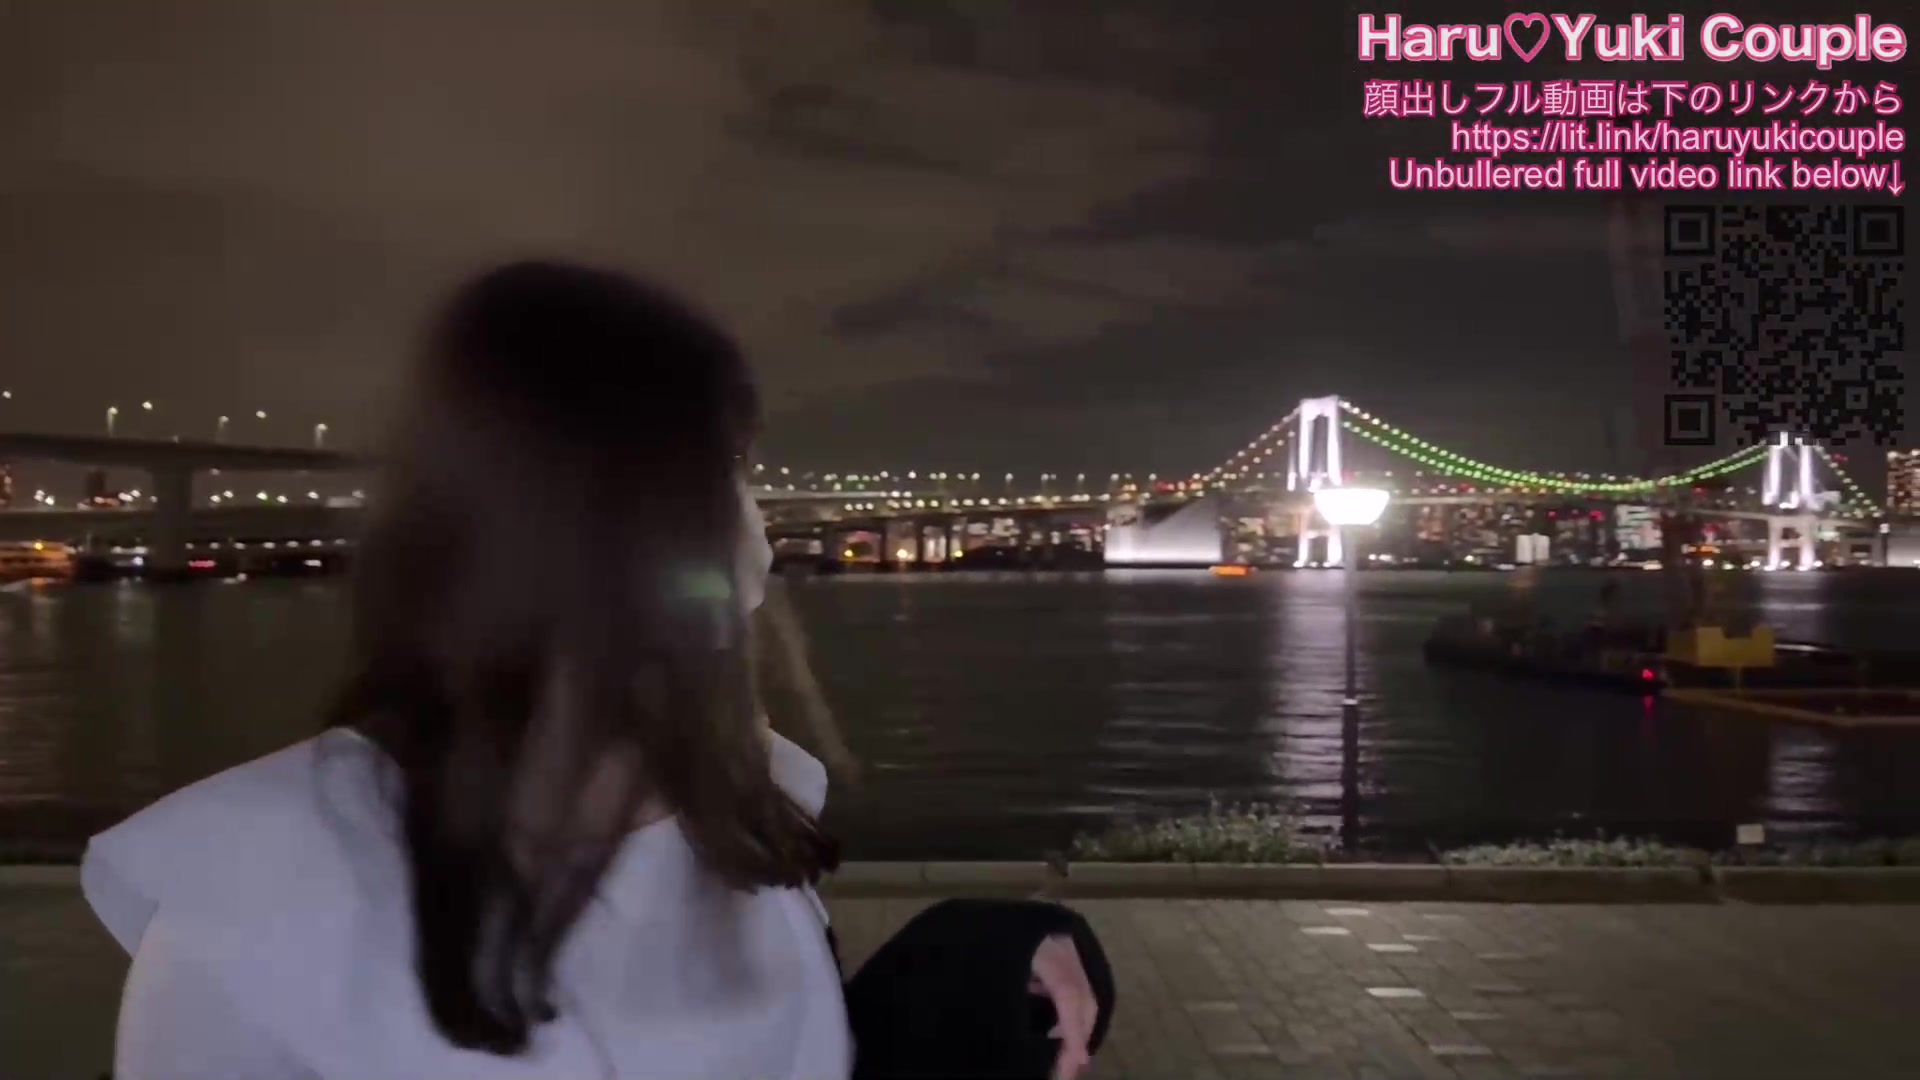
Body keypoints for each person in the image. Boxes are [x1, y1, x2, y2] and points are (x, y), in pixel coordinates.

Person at [81, 261, 1112, 1079]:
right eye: (710, 470)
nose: (746, 519)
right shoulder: (260, 894)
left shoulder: (746, 806)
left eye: (738, 466)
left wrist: (982, 962)